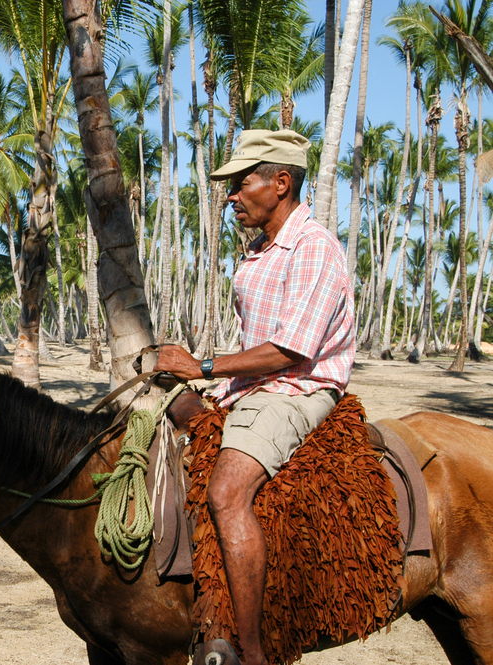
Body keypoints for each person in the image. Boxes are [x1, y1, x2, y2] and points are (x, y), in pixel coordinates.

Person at [153, 129, 355, 665]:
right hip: (250, 385)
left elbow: (290, 350)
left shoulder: (315, 248)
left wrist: (201, 366)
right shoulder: (259, 251)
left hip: (296, 389)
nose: (231, 197)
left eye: (241, 184)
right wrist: (197, 380)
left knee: (226, 491)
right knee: (161, 413)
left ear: (281, 182)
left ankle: (253, 647)